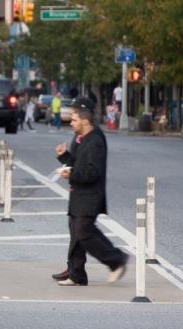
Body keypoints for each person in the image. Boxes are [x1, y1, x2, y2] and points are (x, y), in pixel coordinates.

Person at [53, 97, 128, 286]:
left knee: (84, 232)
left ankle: (116, 261)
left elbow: (92, 172)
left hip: (90, 196)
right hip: (79, 194)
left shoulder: (95, 141)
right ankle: (76, 273)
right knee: (76, 231)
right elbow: (77, 164)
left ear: (85, 120)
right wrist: (64, 158)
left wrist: (70, 174)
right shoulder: (82, 138)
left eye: (74, 119)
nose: (71, 122)